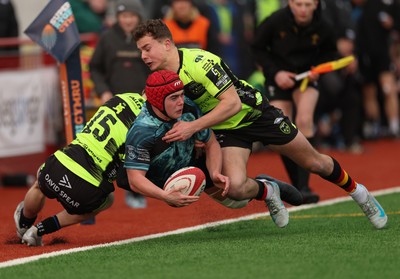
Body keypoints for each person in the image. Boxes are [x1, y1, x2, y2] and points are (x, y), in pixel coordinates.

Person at [133, 18, 388, 229]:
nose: (143, 56)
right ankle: (269, 190)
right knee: (233, 187)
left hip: (254, 113)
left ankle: (360, 193)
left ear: (166, 44)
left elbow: (232, 103)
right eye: (140, 50)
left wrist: (193, 127)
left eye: (147, 48)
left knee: (315, 162)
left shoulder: (200, 63)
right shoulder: (158, 77)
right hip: (224, 128)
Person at [122, 70, 297, 223]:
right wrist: (165, 196)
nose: (181, 102)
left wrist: (214, 173)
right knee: (238, 201)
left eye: (181, 95)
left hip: (193, 161)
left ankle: (268, 188)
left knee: (237, 199)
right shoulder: (142, 131)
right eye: (174, 98)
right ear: (157, 101)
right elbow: (135, 180)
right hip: (159, 178)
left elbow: (211, 142)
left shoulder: (189, 107)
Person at [14, 93, 146, 246]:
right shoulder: (148, 124)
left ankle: (24, 223)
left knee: (40, 181)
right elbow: (127, 178)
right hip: (86, 190)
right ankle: (37, 231)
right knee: (108, 200)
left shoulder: (123, 97)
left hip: (59, 166)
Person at [250, 0, 340, 203]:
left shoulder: (324, 25)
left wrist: (318, 68)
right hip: (278, 79)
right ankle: (297, 186)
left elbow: (330, 52)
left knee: (305, 120)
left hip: (307, 78)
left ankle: (304, 187)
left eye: (308, 5)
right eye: (299, 4)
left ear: (316, 4)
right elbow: (257, 47)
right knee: (283, 126)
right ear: (290, 3)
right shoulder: (275, 21)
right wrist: (276, 72)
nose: (303, 10)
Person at [89, 0, 151, 208]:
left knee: (139, 144)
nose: (128, 20)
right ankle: (103, 187)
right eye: (124, 16)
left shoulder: (146, 39)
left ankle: (136, 189)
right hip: (115, 105)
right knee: (116, 147)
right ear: (117, 17)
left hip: (143, 103)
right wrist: (102, 90)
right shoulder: (107, 39)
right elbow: (95, 67)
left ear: (139, 18)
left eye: (132, 16)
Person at [355, 0, 400, 139]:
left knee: (388, 89)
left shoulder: (394, 6)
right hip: (365, 56)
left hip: (384, 56)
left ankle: (394, 126)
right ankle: (374, 125)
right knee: (369, 92)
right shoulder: (366, 5)